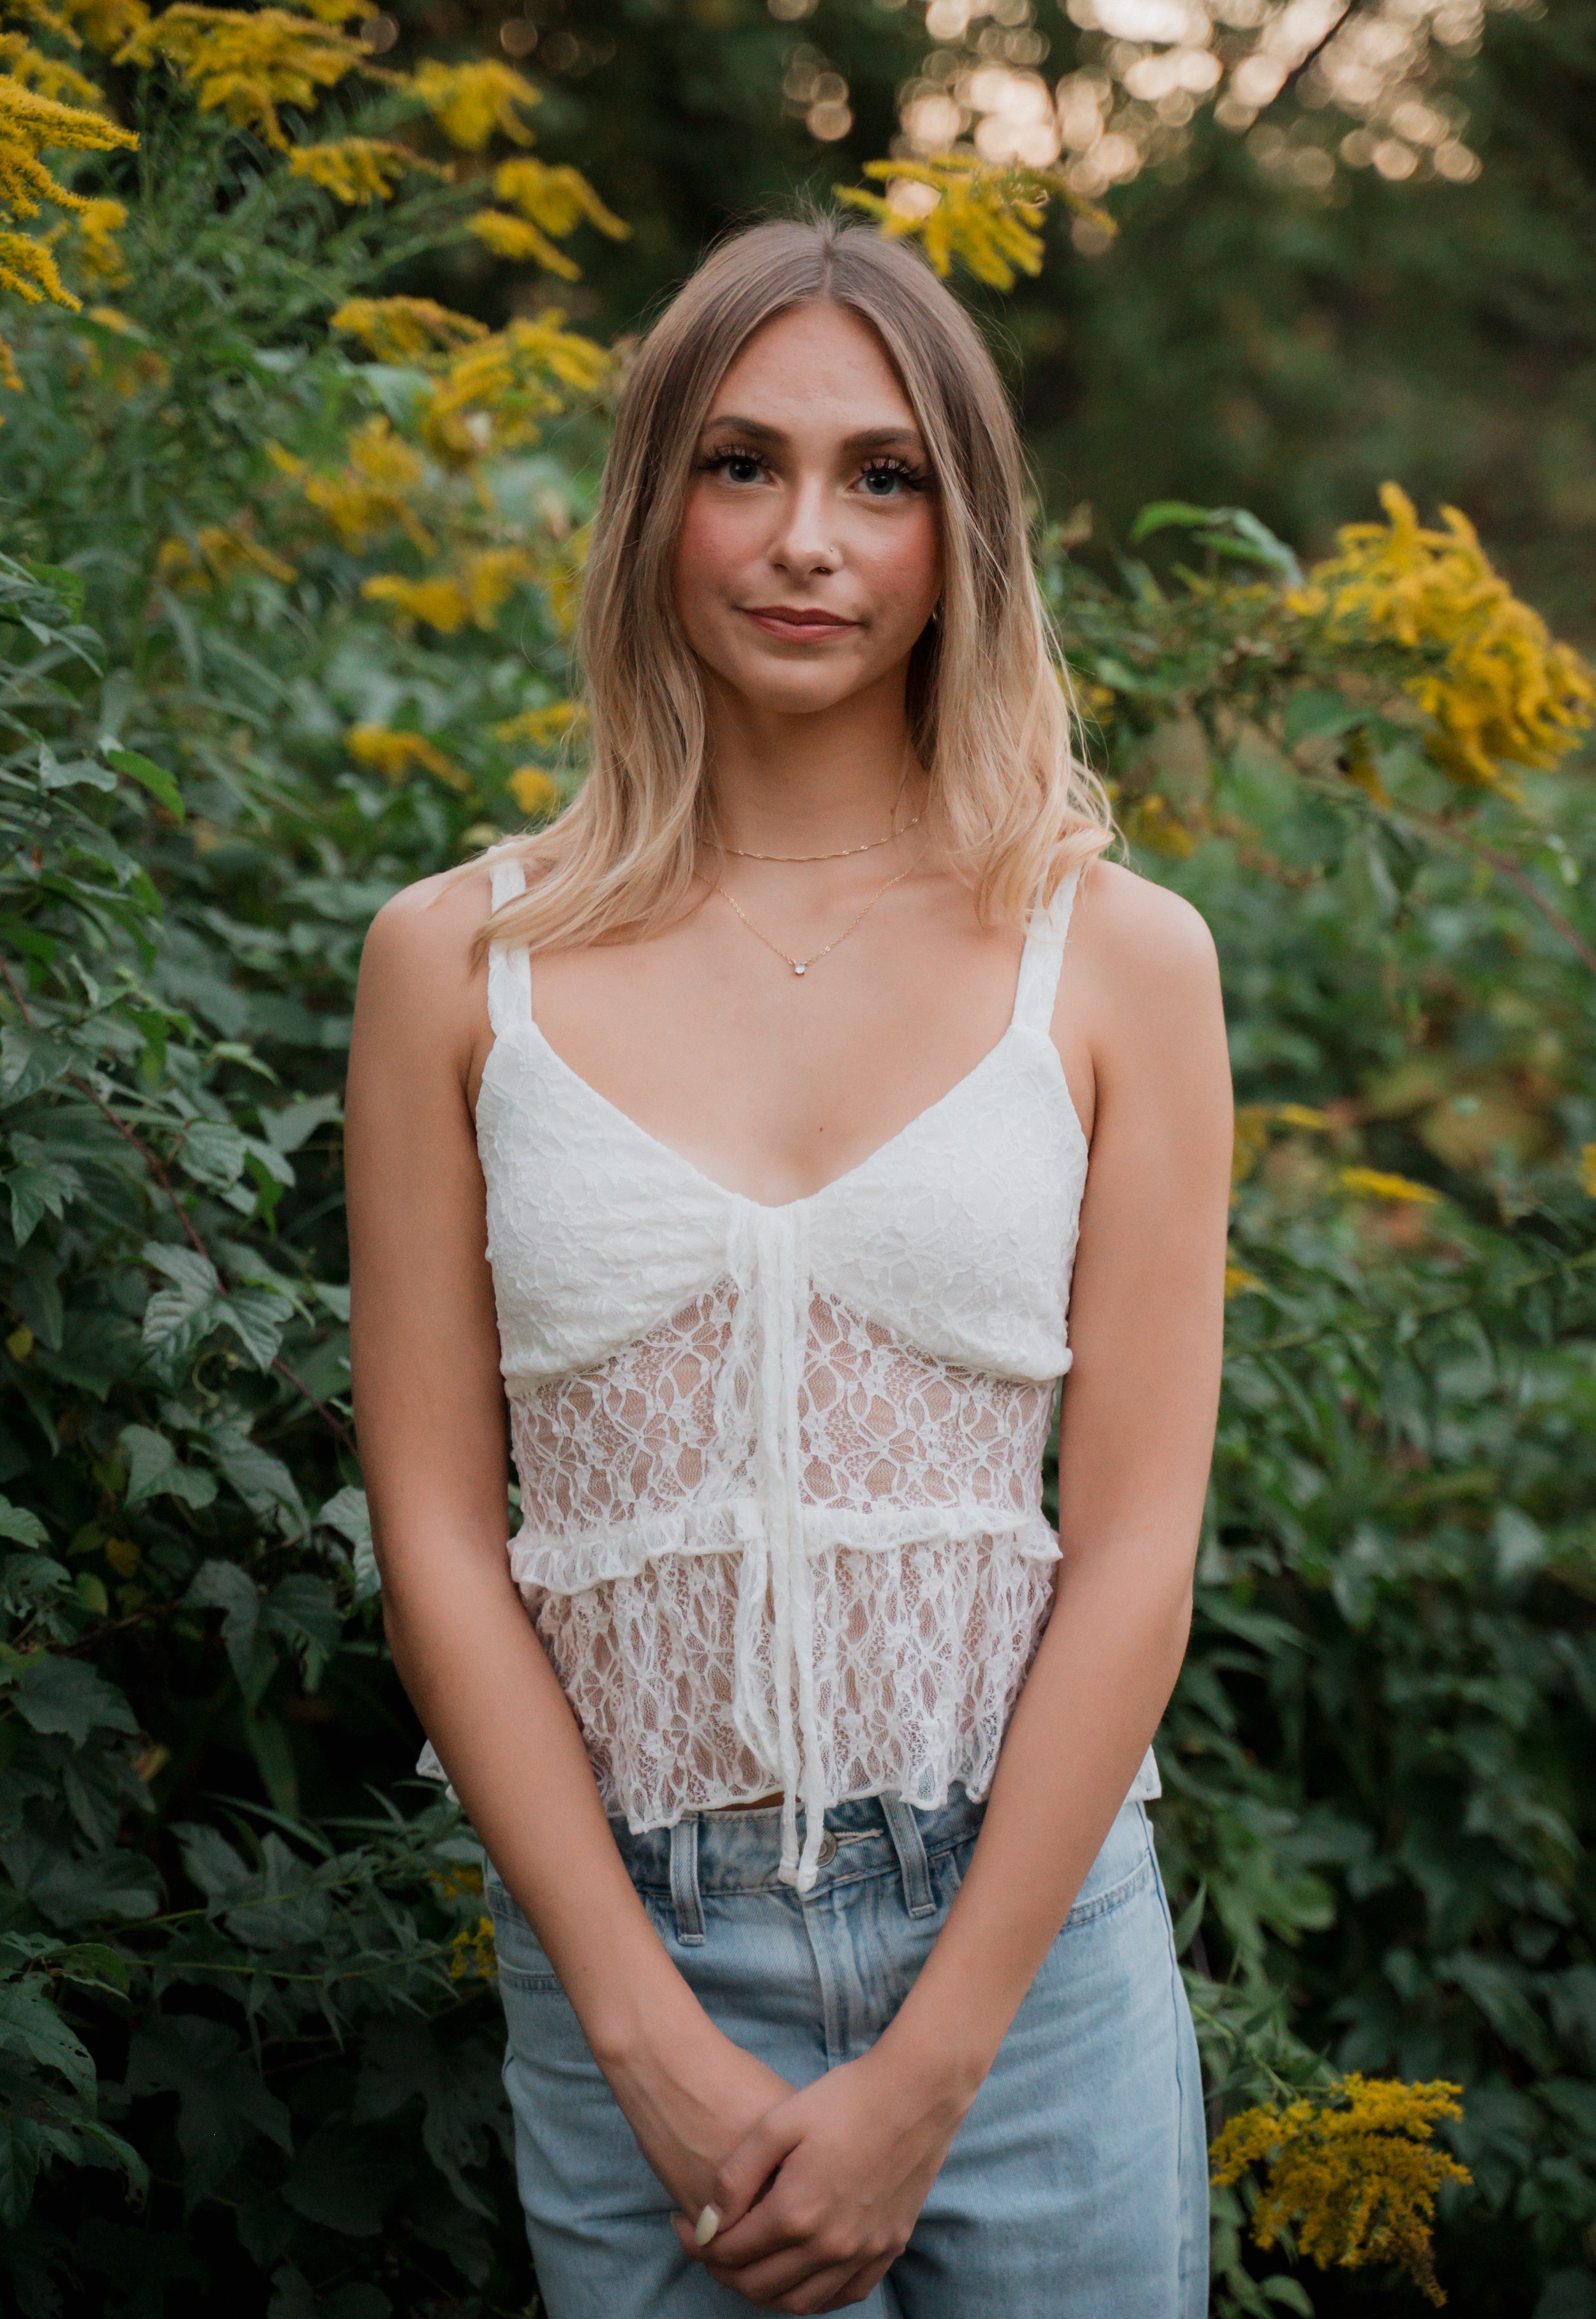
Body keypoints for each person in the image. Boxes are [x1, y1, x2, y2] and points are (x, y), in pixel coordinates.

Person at [345, 214, 1233, 2319]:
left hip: (1028, 1961)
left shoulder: (1117, 963)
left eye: (881, 476)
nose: (805, 540)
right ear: (654, 506)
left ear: (963, 532)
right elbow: (440, 1539)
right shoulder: (454, 968)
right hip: (621, 1958)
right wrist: (639, 2034)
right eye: (740, 465)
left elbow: (1130, 1547)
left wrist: (936, 2069)